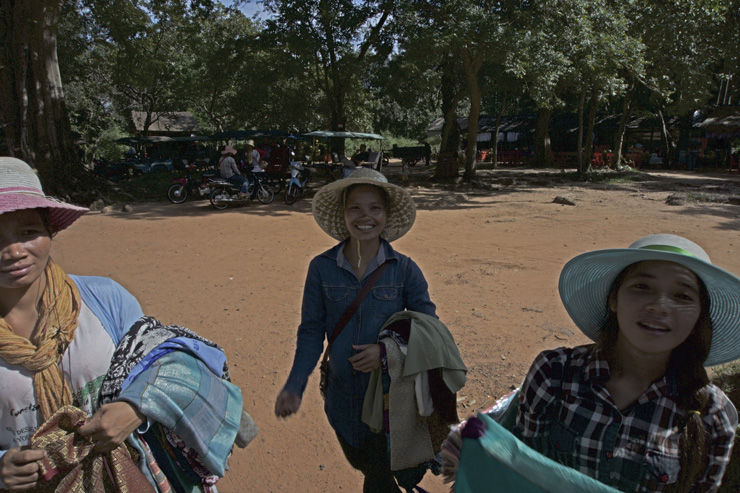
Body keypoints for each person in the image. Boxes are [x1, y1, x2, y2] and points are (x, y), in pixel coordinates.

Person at [0, 157, 247, 491]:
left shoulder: (105, 298)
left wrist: (136, 407)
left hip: (129, 475)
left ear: (50, 232)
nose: (13, 251)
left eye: (28, 231)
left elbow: (162, 362)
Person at [515, 234, 740, 492]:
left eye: (682, 296)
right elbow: (520, 465)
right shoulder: (555, 373)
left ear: (700, 316)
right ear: (614, 299)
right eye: (642, 287)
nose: (659, 306)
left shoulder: (713, 412)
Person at [274, 168, 437, 492]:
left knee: (377, 476)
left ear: (386, 214)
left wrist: (388, 351)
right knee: (366, 465)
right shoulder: (320, 268)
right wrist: (295, 385)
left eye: (375, 207)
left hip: (391, 403)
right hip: (340, 402)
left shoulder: (405, 270)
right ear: (343, 214)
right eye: (356, 208)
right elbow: (311, 331)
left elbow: (430, 329)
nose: (365, 217)